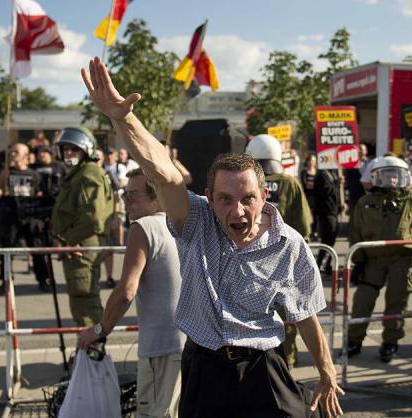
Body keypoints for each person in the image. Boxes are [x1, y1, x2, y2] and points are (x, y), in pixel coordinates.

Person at [82, 56, 343, 417]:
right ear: (209, 197)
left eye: (247, 198)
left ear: (264, 195)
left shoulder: (289, 246)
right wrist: (122, 118)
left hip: (262, 368)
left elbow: (305, 315)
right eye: (225, 199)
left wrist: (326, 371)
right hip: (204, 369)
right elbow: (163, 174)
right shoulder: (196, 221)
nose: (237, 211)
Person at [78, 169, 185, 418]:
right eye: (125, 196)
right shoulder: (182, 224)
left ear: (156, 196)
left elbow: (126, 291)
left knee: (157, 413)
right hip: (192, 344)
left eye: (133, 195)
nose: (127, 202)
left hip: (162, 347)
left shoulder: (144, 227)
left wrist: (99, 330)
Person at [347, 156, 412, 362]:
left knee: (396, 302)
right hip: (372, 260)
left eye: (396, 175)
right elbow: (355, 231)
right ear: (377, 177)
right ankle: (354, 340)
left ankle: (390, 342)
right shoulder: (365, 202)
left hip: (402, 259)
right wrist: (357, 260)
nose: (392, 179)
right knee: (362, 301)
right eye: (387, 175)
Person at [247, 133, 313, 369]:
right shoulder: (290, 183)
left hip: (250, 261)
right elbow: (304, 223)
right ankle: (287, 363)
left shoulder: (246, 183)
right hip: (284, 260)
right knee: (289, 315)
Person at [51, 127, 114, 328]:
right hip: (78, 243)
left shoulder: (89, 173)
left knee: (85, 301)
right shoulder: (78, 174)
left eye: (74, 149)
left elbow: (92, 216)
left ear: (85, 150)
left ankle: (93, 353)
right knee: (80, 300)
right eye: (66, 149)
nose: (69, 153)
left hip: (82, 245)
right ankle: (86, 351)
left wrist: (69, 241)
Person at [0, 143, 51, 294]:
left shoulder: (34, 175)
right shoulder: (5, 173)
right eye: (11, 153)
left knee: (37, 248)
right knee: (7, 248)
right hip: (10, 215)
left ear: (25, 155)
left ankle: (43, 279)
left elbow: (40, 195)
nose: (12, 155)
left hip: (29, 216)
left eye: (16, 152)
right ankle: (6, 280)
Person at [314, 166, 343, 275]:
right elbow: (327, 191)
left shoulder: (333, 173)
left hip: (333, 211)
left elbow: (336, 194)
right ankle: (319, 264)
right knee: (327, 240)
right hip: (326, 212)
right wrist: (337, 183)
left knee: (331, 239)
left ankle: (326, 265)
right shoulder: (322, 175)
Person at [300, 153, 319, 241]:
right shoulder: (304, 172)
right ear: (307, 162)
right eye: (310, 160)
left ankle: (315, 232)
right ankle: (308, 231)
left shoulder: (317, 172)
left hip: (316, 197)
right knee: (308, 215)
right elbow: (305, 184)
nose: (311, 162)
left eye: (313, 161)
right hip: (307, 197)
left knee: (315, 215)